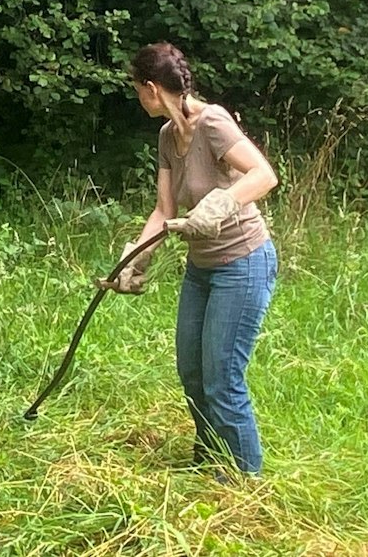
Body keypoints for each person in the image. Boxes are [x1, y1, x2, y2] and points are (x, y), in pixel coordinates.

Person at [102, 41, 279, 478]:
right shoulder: (166, 136)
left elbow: (263, 174)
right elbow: (164, 211)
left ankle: (244, 478)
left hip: (244, 263)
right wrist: (133, 261)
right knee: (193, 371)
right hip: (202, 269)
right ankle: (210, 460)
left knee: (222, 378)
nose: (137, 98)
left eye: (136, 89)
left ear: (149, 88)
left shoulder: (212, 122)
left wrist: (221, 205)